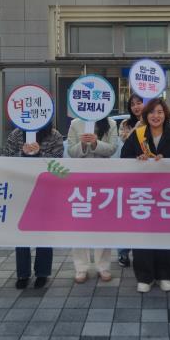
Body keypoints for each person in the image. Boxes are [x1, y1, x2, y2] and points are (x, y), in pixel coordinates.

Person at [121, 98, 170, 292]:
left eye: (160, 112)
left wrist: (167, 161)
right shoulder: (138, 135)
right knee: (142, 235)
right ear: (146, 115)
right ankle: (145, 276)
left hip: (169, 196)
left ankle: (166, 275)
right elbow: (124, 159)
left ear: (165, 114)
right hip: (143, 195)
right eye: (152, 112)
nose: (156, 116)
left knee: (167, 234)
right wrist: (137, 160)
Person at [4, 122, 64, 289]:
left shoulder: (54, 135)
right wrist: (22, 153)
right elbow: (6, 158)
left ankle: (42, 273)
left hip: (46, 190)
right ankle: (22, 273)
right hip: (21, 189)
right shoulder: (16, 134)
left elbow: (59, 163)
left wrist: (40, 153)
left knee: (44, 232)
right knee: (21, 232)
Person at [67, 116, 118, 283]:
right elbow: (71, 151)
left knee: (103, 223)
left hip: (103, 181)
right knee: (79, 223)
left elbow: (112, 149)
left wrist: (96, 143)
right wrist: (82, 144)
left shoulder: (111, 123)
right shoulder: (75, 123)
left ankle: (103, 266)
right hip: (80, 181)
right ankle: (81, 267)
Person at [117, 93, 144, 268]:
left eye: (139, 103)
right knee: (128, 212)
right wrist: (139, 126)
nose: (136, 107)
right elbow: (126, 140)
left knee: (143, 212)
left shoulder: (154, 120)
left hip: (149, 174)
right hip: (130, 172)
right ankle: (123, 252)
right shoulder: (125, 124)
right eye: (133, 104)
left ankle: (143, 250)